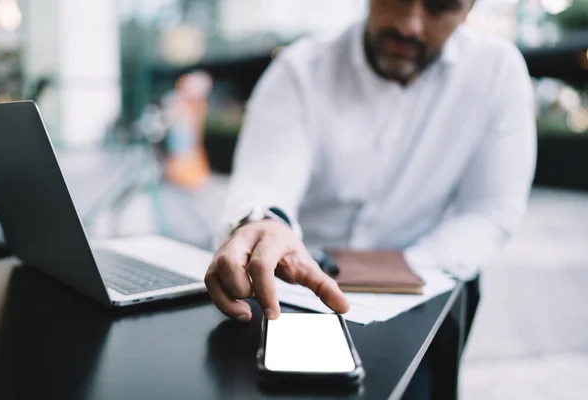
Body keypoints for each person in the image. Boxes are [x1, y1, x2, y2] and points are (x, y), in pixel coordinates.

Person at [205, 0, 536, 324]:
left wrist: (402, 272)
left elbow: (490, 210)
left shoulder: (497, 72)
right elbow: (264, 178)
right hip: (293, 286)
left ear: (469, 10)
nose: (409, 25)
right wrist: (265, 223)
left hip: (424, 291)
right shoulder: (300, 68)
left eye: (439, 6)